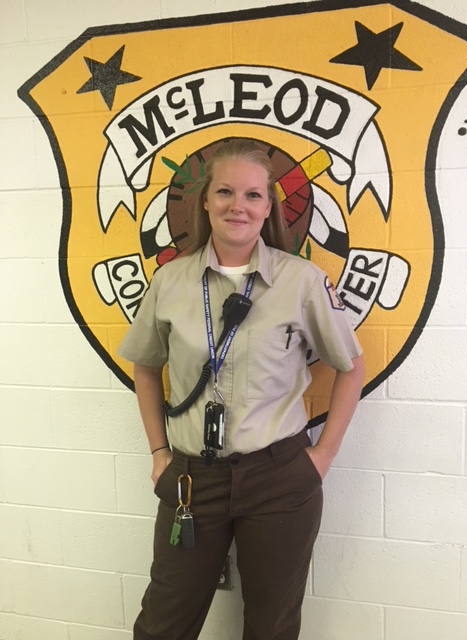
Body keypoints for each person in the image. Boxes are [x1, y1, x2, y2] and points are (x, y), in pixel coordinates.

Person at [118, 139, 365, 640]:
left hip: (280, 479)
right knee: (163, 623)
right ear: (205, 201)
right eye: (226, 191)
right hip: (192, 482)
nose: (239, 205)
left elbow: (350, 366)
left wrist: (321, 458)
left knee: (272, 627)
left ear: (268, 207)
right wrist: (160, 454)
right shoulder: (169, 282)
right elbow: (146, 368)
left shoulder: (301, 281)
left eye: (253, 195)